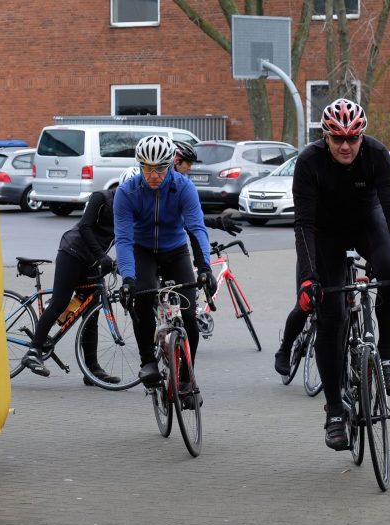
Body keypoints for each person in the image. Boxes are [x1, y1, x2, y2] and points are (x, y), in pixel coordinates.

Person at [292, 98, 390, 450]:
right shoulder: (308, 162)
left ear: (362, 136)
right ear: (326, 137)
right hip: (325, 233)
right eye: (338, 139)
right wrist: (308, 277)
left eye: (353, 138)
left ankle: (387, 354)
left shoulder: (377, 154)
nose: (346, 146)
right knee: (329, 316)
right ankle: (335, 409)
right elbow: (302, 223)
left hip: (367, 223)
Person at [113, 135, 218, 394]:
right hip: (143, 250)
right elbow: (124, 240)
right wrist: (127, 279)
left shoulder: (183, 187)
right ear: (139, 166)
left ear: (171, 164)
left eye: (160, 168)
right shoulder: (127, 192)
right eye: (147, 168)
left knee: (190, 313)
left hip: (175, 250)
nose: (154, 175)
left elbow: (196, 228)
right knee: (142, 297)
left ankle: (185, 377)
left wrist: (205, 267)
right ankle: (148, 360)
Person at [20, 189, 121, 385]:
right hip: (73, 252)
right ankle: (33, 351)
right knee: (60, 301)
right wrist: (102, 255)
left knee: (91, 312)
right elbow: (85, 226)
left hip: (92, 261)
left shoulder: (131, 208)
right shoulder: (101, 198)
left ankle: (91, 370)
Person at [123, 140, 244, 236]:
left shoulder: (181, 185)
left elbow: (189, 217)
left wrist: (216, 223)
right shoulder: (152, 181)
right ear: (176, 161)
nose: (190, 168)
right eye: (189, 163)